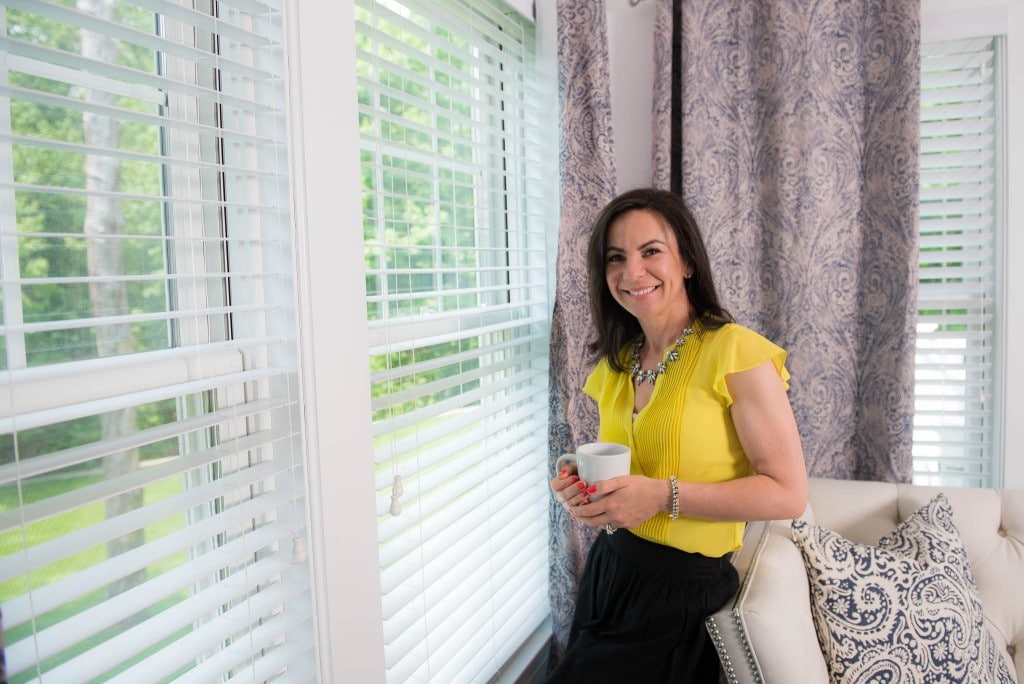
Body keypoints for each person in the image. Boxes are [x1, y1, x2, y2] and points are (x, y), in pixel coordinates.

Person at [548, 188, 807, 683]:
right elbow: (634, 471)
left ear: (687, 261)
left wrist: (661, 497)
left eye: (651, 251)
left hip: (681, 598)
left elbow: (788, 493)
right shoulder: (619, 364)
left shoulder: (735, 353)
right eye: (615, 258)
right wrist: (580, 482)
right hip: (610, 572)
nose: (632, 272)